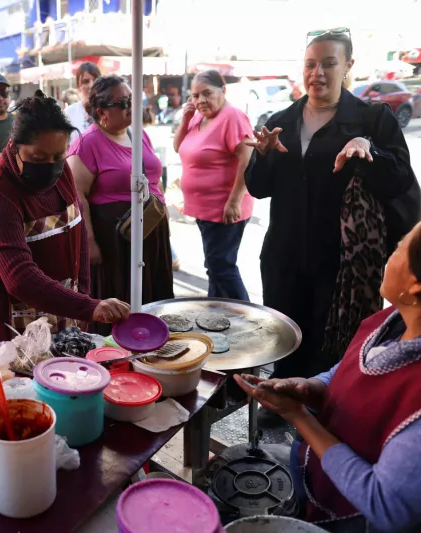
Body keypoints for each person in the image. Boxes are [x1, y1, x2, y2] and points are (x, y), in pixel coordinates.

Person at [245, 30, 415, 394]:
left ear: (348, 66)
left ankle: (324, 410)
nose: (317, 72)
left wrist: (366, 147)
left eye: (328, 63)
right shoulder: (282, 120)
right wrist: (263, 156)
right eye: (310, 64)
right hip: (285, 255)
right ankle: (284, 398)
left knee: (333, 347)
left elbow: (400, 179)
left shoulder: (372, 119)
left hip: (342, 263)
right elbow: (258, 188)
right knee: (286, 337)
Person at [234, 219, 421, 533]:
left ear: (415, 286)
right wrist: (312, 387)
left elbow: (387, 507)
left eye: (401, 245)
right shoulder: (396, 319)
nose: (391, 252)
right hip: (317, 477)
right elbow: (353, 365)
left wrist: (300, 418)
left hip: (355, 518)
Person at [0, 91, 131, 342]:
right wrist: (88, 306)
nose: (51, 166)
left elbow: (77, 229)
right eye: (38, 158)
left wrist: (82, 295)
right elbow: (19, 278)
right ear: (14, 148)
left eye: (58, 156)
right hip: (19, 320)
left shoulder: (61, 171)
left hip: (68, 306)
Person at [67, 75, 173, 335]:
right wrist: (89, 241)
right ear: (102, 112)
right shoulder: (87, 143)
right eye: (123, 102)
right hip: (114, 240)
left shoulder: (139, 134)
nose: (131, 106)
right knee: (121, 298)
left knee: (151, 295)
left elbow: (153, 177)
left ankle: (152, 345)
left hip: (149, 231)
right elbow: (78, 195)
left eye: (132, 99)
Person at [174, 70, 254, 301]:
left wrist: (234, 200)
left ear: (223, 91)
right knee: (215, 266)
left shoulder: (232, 117)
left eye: (207, 93)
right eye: (195, 95)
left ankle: (247, 317)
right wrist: (186, 119)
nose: (200, 101)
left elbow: (246, 160)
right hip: (205, 209)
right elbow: (179, 146)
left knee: (222, 267)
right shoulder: (199, 117)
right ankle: (217, 312)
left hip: (224, 209)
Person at [64, 62, 101, 141]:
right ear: (78, 86)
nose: (91, 85)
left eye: (95, 80)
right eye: (85, 81)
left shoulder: (109, 112)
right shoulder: (69, 113)